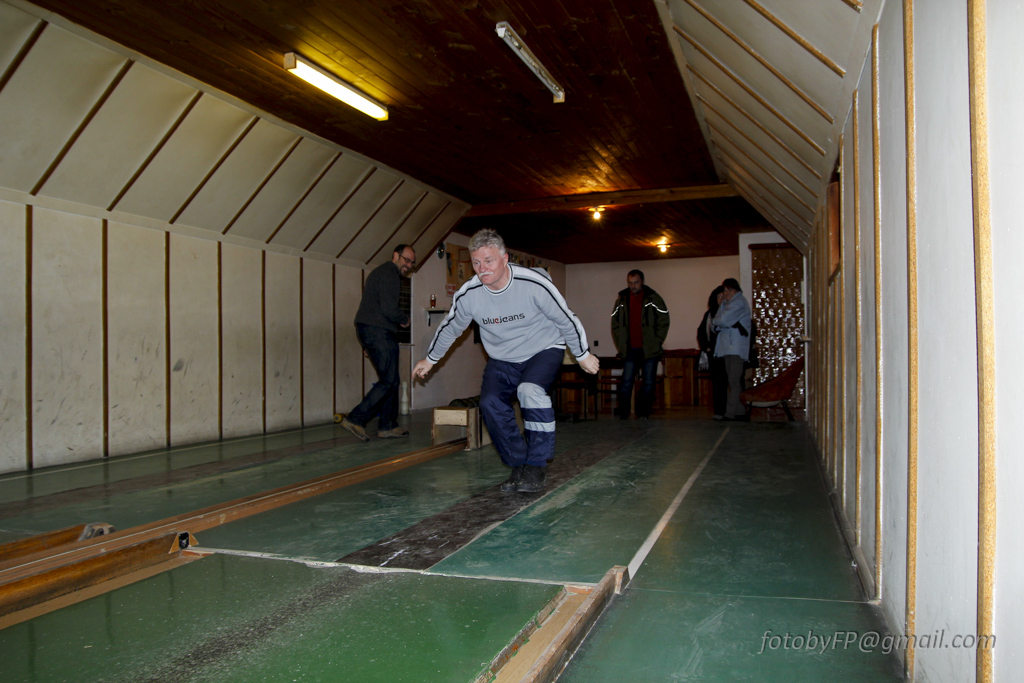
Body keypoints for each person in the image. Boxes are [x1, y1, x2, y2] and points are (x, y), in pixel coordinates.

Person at [413, 229, 598, 493]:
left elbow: (566, 318)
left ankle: (536, 465)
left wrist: (582, 354)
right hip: (502, 357)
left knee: (530, 391)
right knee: (489, 403)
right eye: (476, 262)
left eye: (488, 261)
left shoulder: (533, 284)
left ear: (505, 258)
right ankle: (519, 463)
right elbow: (451, 327)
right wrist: (430, 359)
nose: (482, 269)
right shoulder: (470, 294)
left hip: (543, 348)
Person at [340, 244, 416, 441]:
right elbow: (389, 308)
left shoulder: (380, 272)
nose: (408, 265)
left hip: (372, 330)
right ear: (395, 255)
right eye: (406, 260)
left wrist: (368, 341)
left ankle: (388, 425)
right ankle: (356, 418)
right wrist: (404, 319)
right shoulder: (389, 274)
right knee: (389, 380)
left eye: (412, 263)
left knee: (391, 379)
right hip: (378, 331)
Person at [610, 270, 670, 419]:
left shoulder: (654, 298)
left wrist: (656, 341)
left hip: (649, 349)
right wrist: (620, 343)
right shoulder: (621, 300)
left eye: (636, 283)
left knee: (648, 382)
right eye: (630, 283)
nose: (633, 286)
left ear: (642, 281)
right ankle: (623, 412)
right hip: (630, 348)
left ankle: (644, 413)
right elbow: (615, 323)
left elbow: (664, 320)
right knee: (626, 382)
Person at [712, 278, 752, 421]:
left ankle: (729, 413)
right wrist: (721, 321)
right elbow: (715, 323)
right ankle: (739, 411)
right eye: (725, 290)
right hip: (727, 348)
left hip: (736, 348)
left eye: (730, 290)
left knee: (734, 381)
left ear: (736, 290)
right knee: (733, 381)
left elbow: (721, 320)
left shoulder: (739, 303)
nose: (726, 293)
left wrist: (721, 322)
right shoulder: (725, 304)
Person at [697, 286, 728, 420]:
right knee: (717, 384)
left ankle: (732, 411)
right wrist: (706, 347)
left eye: (724, 297)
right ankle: (719, 411)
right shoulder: (709, 314)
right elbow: (701, 332)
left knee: (731, 383)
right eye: (719, 297)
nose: (721, 299)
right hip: (714, 355)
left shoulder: (730, 313)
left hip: (728, 354)